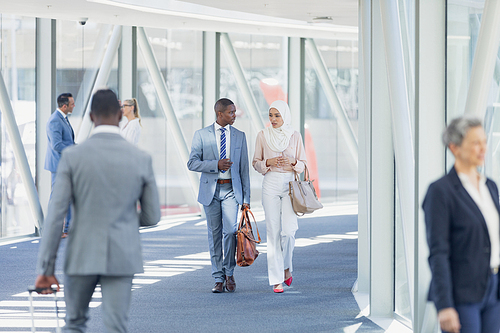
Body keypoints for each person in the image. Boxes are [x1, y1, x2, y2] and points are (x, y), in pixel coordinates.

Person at [34, 89, 161, 333]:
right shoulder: (140, 158)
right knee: (115, 326)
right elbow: (151, 216)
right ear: (119, 116)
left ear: (91, 117)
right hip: (123, 255)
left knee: (75, 324)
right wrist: (122, 219)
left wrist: (45, 269)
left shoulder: (73, 156)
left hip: (81, 254)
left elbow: (54, 217)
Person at [423, 117, 500, 333]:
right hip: (463, 294)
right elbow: (438, 253)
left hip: (494, 290)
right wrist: (445, 305)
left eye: (484, 141)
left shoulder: (490, 186)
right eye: (475, 142)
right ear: (455, 147)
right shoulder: (440, 191)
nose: (483, 148)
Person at [187, 98, 250, 293]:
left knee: (230, 232)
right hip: (210, 192)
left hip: (232, 190)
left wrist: (246, 199)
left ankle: (229, 272)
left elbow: (244, 170)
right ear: (220, 114)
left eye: (234, 112)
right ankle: (218, 278)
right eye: (231, 113)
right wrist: (215, 165)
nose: (234, 116)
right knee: (214, 235)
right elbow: (192, 163)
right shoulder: (201, 135)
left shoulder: (240, 136)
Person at [252, 100, 307, 293]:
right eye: (270, 115)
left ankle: (286, 267)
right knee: (273, 231)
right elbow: (256, 163)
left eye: (277, 115)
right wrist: (269, 161)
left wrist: (293, 162)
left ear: (285, 116)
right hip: (271, 182)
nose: (273, 119)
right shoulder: (262, 135)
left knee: (289, 232)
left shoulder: (295, 135)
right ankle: (277, 279)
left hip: (291, 184)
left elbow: (303, 164)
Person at [44, 93, 76, 238]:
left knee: (68, 196)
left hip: (65, 164)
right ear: (64, 106)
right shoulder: (55, 121)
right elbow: (56, 145)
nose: (73, 106)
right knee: (57, 198)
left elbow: (67, 142)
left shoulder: (63, 119)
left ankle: (67, 229)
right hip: (58, 166)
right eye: (72, 104)